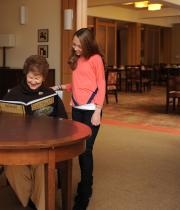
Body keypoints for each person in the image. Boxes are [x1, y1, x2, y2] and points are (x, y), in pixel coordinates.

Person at [3, 55, 67, 210]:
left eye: (37, 78)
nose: (33, 81)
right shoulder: (13, 94)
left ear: (44, 78)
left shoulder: (51, 95)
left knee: (43, 168)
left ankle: (40, 205)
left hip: (43, 146)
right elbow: (2, 124)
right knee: (11, 167)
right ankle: (32, 198)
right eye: (31, 77)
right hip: (18, 146)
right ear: (25, 75)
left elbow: (64, 121)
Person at [57, 28, 106, 210]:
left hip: (91, 110)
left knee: (86, 150)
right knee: (78, 148)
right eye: (74, 44)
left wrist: (97, 110)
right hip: (76, 109)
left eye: (78, 45)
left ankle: (85, 191)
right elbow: (80, 84)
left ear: (87, 44)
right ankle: (86, 184)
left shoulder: (96, 59)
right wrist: (62, 86)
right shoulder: (77, 59)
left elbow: (100, 84)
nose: (75, 47)